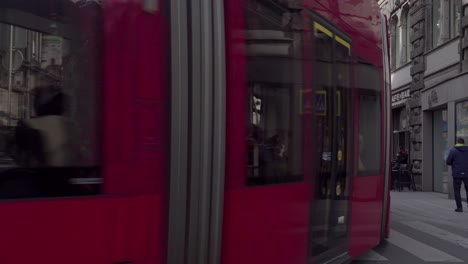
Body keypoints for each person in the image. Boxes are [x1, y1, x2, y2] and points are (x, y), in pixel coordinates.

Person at [446, 137, 468, 212]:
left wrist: (454, 163)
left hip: (457, 173)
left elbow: (448, 161)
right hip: (467, 173)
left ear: (457, 142)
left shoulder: (453, 150)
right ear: (463, 143)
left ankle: (459, 207)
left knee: (457, 190)